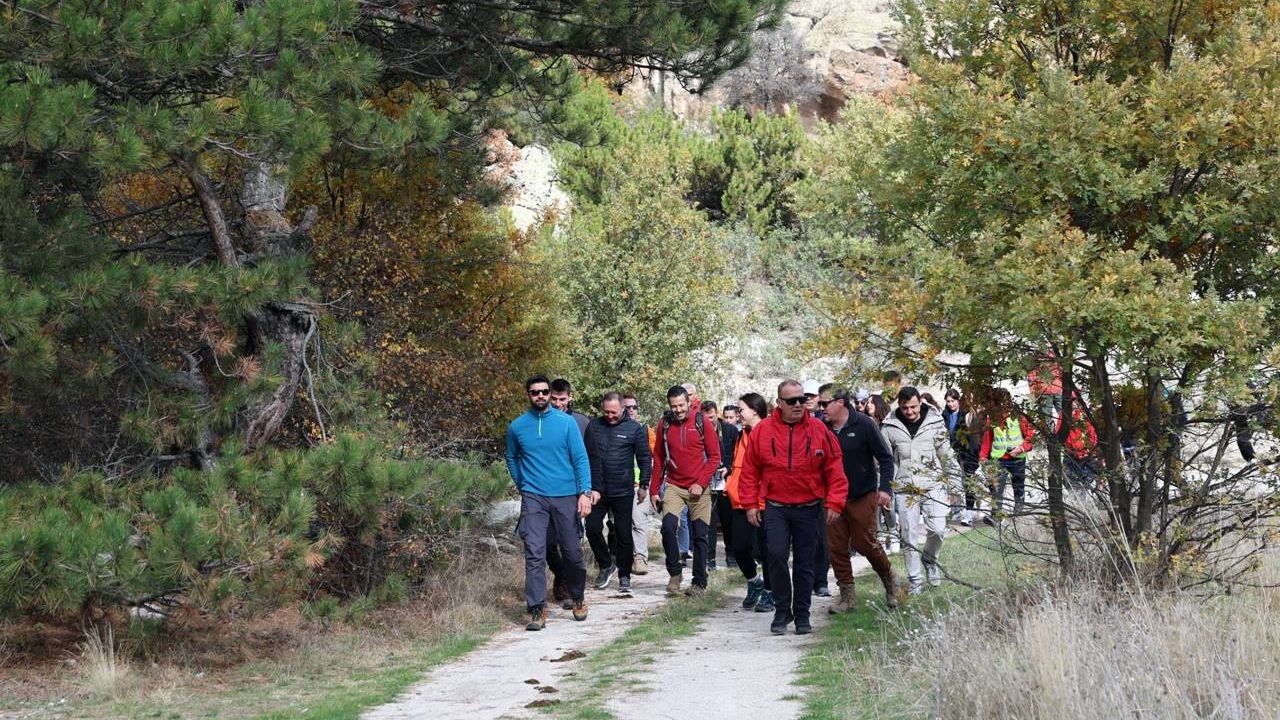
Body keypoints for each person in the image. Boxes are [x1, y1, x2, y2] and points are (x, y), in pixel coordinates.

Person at [739, 380, 848, 635]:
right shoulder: (763, 431)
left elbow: (834, 467)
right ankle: (781, 611)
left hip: (809, 506)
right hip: (776, 506)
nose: (799, 405)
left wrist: (835, 501)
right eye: (792, 401)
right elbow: (749, 470)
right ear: (779, 403)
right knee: (775, 556)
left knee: (804, 563)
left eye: (801, 399)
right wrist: (750, 504)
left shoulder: (819, 429)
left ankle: (802, 614)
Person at [506, 375, 593, 630]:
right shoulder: (517, 427)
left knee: (572, 552)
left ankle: (577, 596)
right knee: (534, 552)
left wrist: (584, 493)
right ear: (528, 395)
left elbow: (580, 459)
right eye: (535, 392)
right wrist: (523, 484)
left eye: (544, 392)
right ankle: (537, 609)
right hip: (534, 497)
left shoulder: (567, 424)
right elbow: (511, 457)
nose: (541, 396)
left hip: (566, 495)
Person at [881, 386, 964, 595]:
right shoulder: (889, 427)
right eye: (905, 407)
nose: (909, 412)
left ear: (920, 403)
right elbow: (885, 461)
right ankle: (915, 579)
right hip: (904, 487)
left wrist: (954, 484)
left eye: (913, 407)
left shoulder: (935, 422)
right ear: (899, 405)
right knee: (908, 535)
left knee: (937, 529)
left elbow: (946, 455)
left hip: (932, 484)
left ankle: (930, 558)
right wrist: (886, 489)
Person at [823, 389, 899, 612]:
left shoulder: (864, 424)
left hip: (862, 495)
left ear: (840, 402)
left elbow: (885, 458)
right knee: (836, 548)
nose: (821, 408)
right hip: (832, 499)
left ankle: (889, 578)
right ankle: (847, 598)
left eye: (825, 403)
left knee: (865, 543)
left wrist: (885, 489)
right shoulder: (821, 428)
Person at [650, 385, 721, 596]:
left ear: (689, 402)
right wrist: (654, 489)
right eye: (674, 406)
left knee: (700, 535)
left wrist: (701, 482)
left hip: (700, 488)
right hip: (674, 485)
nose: (678, 410)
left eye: (681, 405)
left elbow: (715, 457)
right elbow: (659, 459)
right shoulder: (664, 424)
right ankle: (675, 573)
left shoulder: (702, 422)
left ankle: (699, 582)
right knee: (668, 527)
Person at [584, 392, 652, 593]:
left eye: (614, 412)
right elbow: (586, 457)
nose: (610, 416)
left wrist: (644, 485)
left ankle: (624, 575)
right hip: (597, 490)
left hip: (623, 490)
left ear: (623, 408)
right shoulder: (594, 426)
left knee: (623, 535)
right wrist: (588, 487)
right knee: (592, 528)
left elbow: (644, 458)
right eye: (606, 412)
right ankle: (606, 565)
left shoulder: (635, 429)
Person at [724, 393, 774, 613]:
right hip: (740, 498)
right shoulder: (740, 434)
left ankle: (771, 593)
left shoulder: (770, 431)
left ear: (754, 410)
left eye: (741, 409)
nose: (738, 413)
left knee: (767, 550)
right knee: (739, 547)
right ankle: (754, 582)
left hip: (765, 500)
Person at [546, 377, 589, 608]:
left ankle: (574, 590)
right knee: (544, 542)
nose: (558, 403)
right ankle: (560, 573)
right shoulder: (539, 420)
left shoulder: (582, 422)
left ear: (570, 398)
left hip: (573, 492)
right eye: (554, 399)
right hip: (544, 491)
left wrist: (589, 490)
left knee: (571, 543)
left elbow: (590, 457)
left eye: (562, 399)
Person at [979, 388, 1035, 513]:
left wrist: (1021, 448)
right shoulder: (992, 419)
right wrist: (983, 457)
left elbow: (1030, 436)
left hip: (1017, 458)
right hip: (998, 458)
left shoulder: (1019, 416)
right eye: (999, 402)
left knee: (1019, 487)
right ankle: (996, 516)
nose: (1002, 405)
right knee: (996, 488)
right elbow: (987, 439)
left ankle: (1018, 513)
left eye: (1004, 401)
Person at [703, 400, 739, 572]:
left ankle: (731, 555)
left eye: (711, 417)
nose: (708, 421)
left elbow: (737, 454)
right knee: (709, 522)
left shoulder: (730, 430)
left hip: (727, 482)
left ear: (716, 414)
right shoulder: (699, 430)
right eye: (705, 417)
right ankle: (709, 558)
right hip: (707, 482)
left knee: (729, 521)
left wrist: (728, 467)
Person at [623, 393, 652, 575]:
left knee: (639, 520)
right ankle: (622, 558)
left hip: (639, 484)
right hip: (619, 484)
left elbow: (652, 457)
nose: (631, 410)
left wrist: (646, 483)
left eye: (634, 407)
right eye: (628, 407)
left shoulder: (644, 430)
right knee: (618, 524)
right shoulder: (613, 429)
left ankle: (640, 557)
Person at [942, 389, 980, 526]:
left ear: (958, 401)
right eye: (948, 401)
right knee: (953, 483)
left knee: (969, 483)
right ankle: (956, 511)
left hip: (968, 454)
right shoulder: (944, 415)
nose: (951, 404)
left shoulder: (967, 414)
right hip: (952, 454)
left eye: (953, 401)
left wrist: (974, 456)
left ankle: (969, 514)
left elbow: (974, 438)